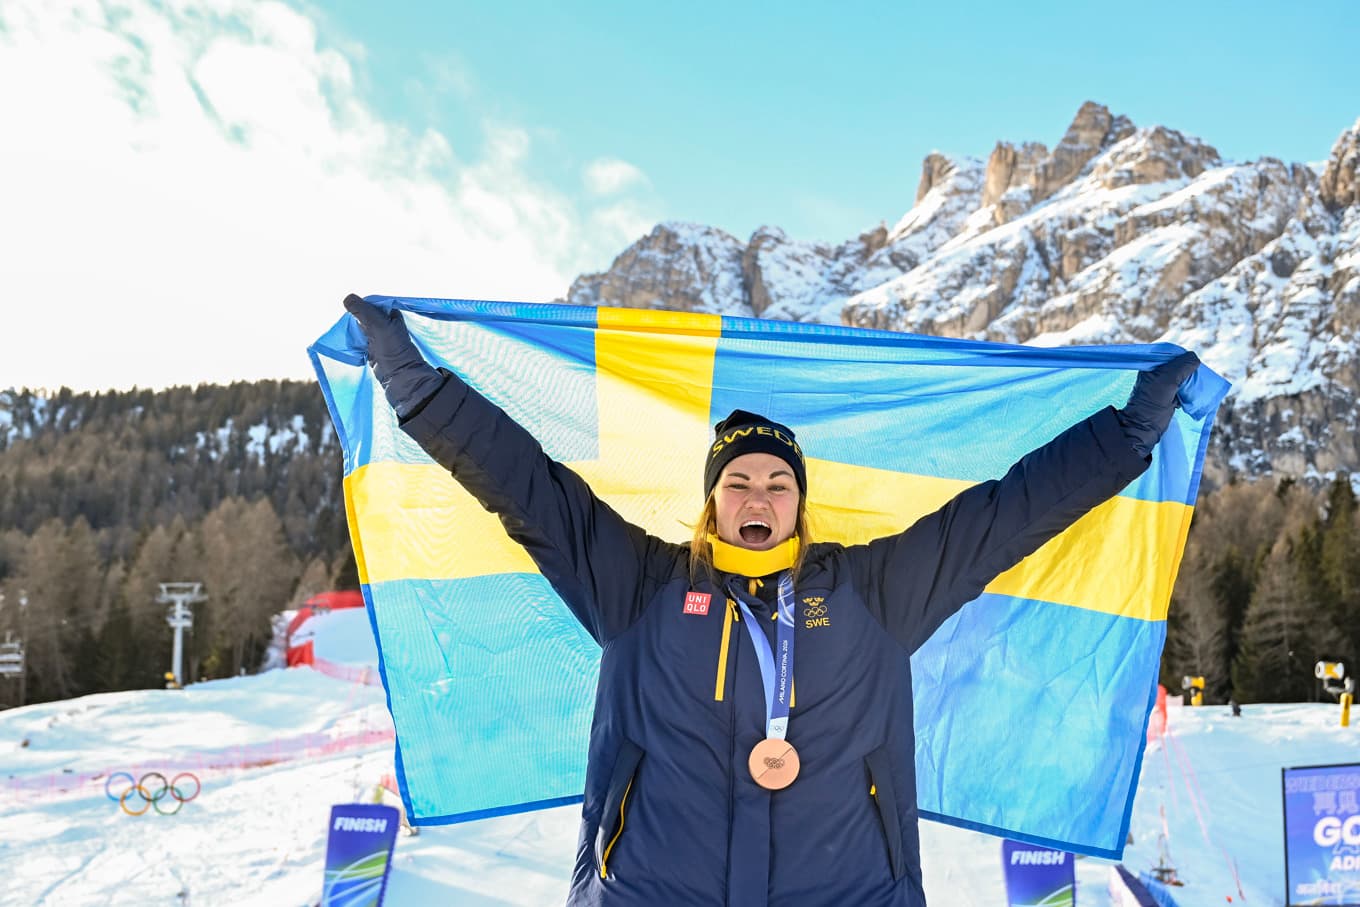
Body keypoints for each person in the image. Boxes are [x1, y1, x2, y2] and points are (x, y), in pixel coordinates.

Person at [342, 293, 1200, 907]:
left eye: (777, 483)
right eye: (740, 482)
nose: (759, 499)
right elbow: (526, 484)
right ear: (712, 501)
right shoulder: (639, 584)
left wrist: (1126, 435)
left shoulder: (870, 592)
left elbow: (1004, 515)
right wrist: (418, 388)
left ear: (800, 501)